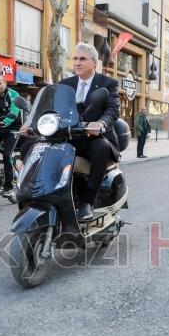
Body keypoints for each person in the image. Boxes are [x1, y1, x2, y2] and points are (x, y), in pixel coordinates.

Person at [59, 42, 121, 221]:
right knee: (38, 145)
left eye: (82, 59)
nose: (77, 63)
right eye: (75, 58)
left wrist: (101, 123)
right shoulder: (65, 84)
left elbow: (112, 110)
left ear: (94, 63)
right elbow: (54, 108)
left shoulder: (108, 83)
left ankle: (87, 202)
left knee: (100, 147)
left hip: (95, 137)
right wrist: (35, 122)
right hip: (70, 137)